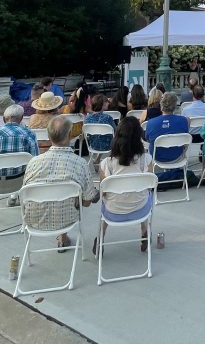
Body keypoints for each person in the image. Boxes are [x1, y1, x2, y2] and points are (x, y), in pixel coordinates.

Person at [22, 115, 97, 250]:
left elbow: (25, 195)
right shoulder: (80, 163)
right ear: (69, 135)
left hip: (34, 220)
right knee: (71, 197)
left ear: (49, 136)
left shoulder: (33, 162)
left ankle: (62, 237)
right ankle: (63, 235)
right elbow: (86, 202)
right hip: (67, 219)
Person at [97, 116, 154, 255]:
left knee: (106, 202)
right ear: (139, 137)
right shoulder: (146, 159)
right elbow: (150, 186)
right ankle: (145, 231)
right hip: (140, 210)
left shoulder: (106, 163)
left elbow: (103, 193)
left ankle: (100, 237)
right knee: (147, 194)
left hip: (112, 213)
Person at [0, 104, 39, 179]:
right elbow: (35, 163)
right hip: (20, 182)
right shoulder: (30, 134)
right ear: (21, 119)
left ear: (4, 119)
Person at [144, 92, 190, 183]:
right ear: (175, 105)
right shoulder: (184, 120)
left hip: (157, 157)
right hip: (177, 156)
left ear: (161, 105)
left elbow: (148, 139)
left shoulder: (151, 123)